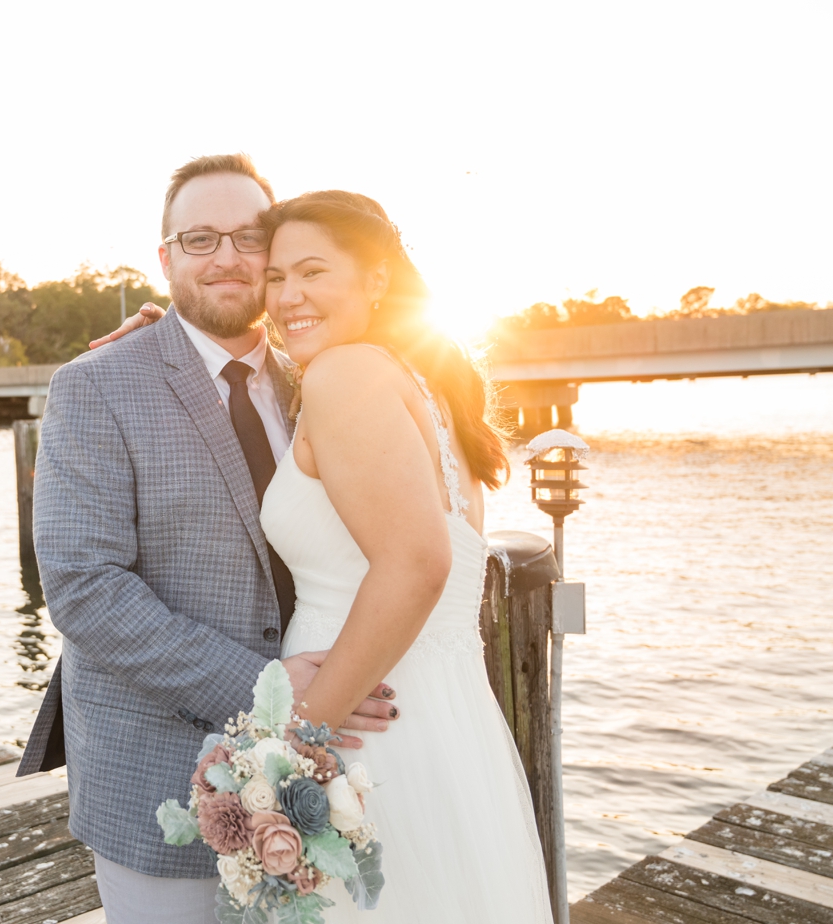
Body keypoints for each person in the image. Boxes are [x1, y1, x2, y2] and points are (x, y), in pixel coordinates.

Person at [89, 187, 553, 921]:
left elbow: (417, 565)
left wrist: (291, 743)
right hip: (439, 721)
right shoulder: (417, 385)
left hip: (356, 733)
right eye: (277, 278)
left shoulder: (347, 374)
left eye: (312, 272)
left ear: (374, 281)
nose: (287, 295)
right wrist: (163, 341)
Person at [18, 155, 398, 924]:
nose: (226, 256)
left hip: (325, 777)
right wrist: (274, 690)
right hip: (158, 773)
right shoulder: (95, 385)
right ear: (164, 259)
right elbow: (86, 590)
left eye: (248, 236)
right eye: (199, 239)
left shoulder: (318, 378)